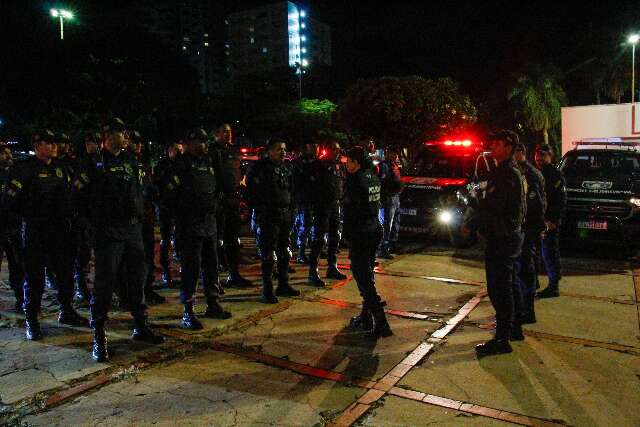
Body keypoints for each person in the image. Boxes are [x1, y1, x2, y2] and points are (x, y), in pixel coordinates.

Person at [73, 118, 164, 362]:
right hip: (107, 232)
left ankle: (140, 325)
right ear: (107, 136)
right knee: (105, 284)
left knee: (137, 278)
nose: (125, 137)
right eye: (120, 133)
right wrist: (90, 227)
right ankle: (99, 336)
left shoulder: (132, 161)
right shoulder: (92, 164)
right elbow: (77, 200)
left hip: (132, 230)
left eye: (125, 132)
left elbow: (144, 190)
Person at [3, 130, 88, 340]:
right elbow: (10, 202)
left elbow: (72, 196)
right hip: (35, 230)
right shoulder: (24, 169)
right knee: (34, 278)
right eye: (48, 143)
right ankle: (32, 319)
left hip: (60, 231)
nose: (54, 147)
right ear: (37, 145)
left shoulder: (62, 168)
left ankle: (66, 310)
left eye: (55, 143)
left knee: (65, 273)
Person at [465, 130, 526, 356]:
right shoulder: (505, 172)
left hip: (502, 238)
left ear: (508, 148)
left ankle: (502, 338)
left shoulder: (506, 174)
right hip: (505, 236)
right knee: (507, 285)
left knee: (500, 289)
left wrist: (475, 217)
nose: (493, 147)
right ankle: (512, 329)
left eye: (498, 144)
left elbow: (494, 208)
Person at [164, 128, 231, 329]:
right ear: (189, 144)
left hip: (209, 222)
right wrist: (182, 214)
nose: (203, 145)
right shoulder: (180, 165)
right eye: (199, 142)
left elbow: (221, 187)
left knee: (212, 265)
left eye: (204, 141)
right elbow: (168, 197)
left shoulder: (209, 163)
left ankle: (212, 302)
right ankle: (188, 310)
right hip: (189, 224)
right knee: (191, 269)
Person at [343, 146, 392, 339]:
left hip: (361, 232)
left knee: (363, 279)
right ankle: (366, 316)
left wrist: (347, 234)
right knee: (368, 273)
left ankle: (381, 323)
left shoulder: (354, 180)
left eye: (348, 161)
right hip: (373, 229)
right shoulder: (372, 176)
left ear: (355, 162)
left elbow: (351, 210)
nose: (346, 164)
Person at [246, 140, 300, 303]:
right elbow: (251, 192)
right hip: (268, 215)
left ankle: (283, 285)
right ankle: (267, 289)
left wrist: (291, 209)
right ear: (270, 151)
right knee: (268, 254)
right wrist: (261, 210)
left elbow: (291, 190)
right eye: (279, 149)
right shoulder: (260, 168)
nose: (283, 152)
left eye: (284, 149)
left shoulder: (286, 168)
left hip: (284, 213)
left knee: (284, 251)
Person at [210, 123, 251, 288]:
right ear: (216, 134)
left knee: (232, 240)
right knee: (216, 241)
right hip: (218, 201)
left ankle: (233, 274)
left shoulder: (233, 151)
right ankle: (214, 279)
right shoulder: (212, 151)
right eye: (224, 132)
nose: (228, 135)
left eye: (230, 132)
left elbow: (237, 173)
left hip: (233, 200)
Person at [128, 130, 165, 305]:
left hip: (146, 217)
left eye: (140, 142)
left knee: (148, 257)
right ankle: (130, 294)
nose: (138, 145)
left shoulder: (141, 164)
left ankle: (147, 290)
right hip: (131, 220)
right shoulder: (123, 163)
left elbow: (149, 189)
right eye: (134, 142)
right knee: (132, 261)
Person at [514, 143, 546, 325]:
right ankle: (525, 309)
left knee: (526, 269)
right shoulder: (521, 171)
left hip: (528, 228)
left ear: (521, 153)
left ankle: (528, 311)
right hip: (525, 228)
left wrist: (536, 227)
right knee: (525, 269)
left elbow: (535, 204)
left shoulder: (530, 174)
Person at [308, 141, 347, 286]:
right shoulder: (319, 165)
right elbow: (311, 187)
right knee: (318, 240)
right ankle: (313, 272)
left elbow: (342, 184)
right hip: (321, 206)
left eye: (338, 149)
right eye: (333, 148)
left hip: (335, 205)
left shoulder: (339, 165)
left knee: (335, 237)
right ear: (327, 149)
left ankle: (332, 266)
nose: (336, 151)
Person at [73, 131, 102, 305]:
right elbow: (77, 193)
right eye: (91, 142)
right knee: (83, 255)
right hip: (85, 217)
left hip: (101, 218)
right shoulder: (83, 164)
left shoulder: (102, 162)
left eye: (97, 142)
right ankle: (81, 288)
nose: (94, 146)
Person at [535, 144, 566, 298]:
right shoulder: (535, 173)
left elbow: (560, 200)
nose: (539, 158)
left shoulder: (554, 174)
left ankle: (554, 286)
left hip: (549, 222)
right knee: (538, 254)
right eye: (538, 155)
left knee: (549, 253)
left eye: (543, 155)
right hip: (538, 221)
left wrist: (552, 220)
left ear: (550, 156)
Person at [0, 142, 24, 314]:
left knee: (17, 266)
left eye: (9, 153)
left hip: (14, 228)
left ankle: (21, 299)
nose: (8, 156)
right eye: (3, 153)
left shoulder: (15, 175)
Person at [154, 141, 182, 287]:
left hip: (179, 208)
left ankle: (182, 270)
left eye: (180, 150)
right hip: (166, 208)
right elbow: (160, 186)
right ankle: (166, 272)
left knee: (181, 239)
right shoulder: (162, 166)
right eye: (176, 149)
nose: (179, 153)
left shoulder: (182, 164)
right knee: (166, 240)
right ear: (169, 150)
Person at [292, 143, 317, 264]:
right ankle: (300, 253)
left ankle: (304, 251)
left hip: (312, 199)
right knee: (304, 226)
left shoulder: (315, 162)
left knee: (310, 227)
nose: (315, 149)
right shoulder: (298, 164)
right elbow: (296, 183)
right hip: (302, 200)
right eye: (312, 146)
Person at [377, 145, 404, 259]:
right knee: (387, 224)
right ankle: (383, 248)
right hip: (388, 198)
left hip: (395, 198)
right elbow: (381, 183)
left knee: (395, 223)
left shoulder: (395, 165)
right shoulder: (383, 166)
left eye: (396, 154)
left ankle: (392, 244)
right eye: (392, 153)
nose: (394, 156)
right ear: (387, 153)